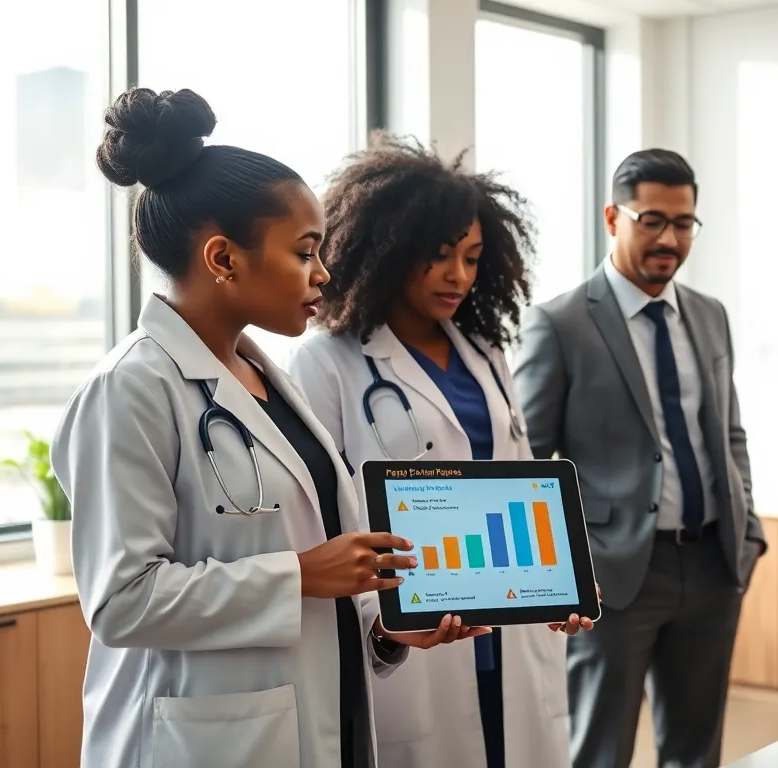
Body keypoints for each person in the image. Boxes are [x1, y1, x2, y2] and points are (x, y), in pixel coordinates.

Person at [51, 89, 480, 768]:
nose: (324, 274)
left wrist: (387, 634)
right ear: (223, 258)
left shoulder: (266, 378)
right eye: (305, 253)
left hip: (322, 719)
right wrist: (301, 575)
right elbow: (122, 602)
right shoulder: (131, 388)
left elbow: (312, 567)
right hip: (206, 740)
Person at [286, 134, 596, 768]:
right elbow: (322, 517)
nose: (459, 276)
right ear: (389, 250)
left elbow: (522, 483)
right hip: (411, 626)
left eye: (473, 258)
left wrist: (559, 579)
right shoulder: (327, 361)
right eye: (440, 256)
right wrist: (381, 621)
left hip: (506, 625)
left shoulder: (485, 352)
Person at [512, 148, 765, 768]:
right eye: (652, 221)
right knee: (601, 751)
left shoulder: (709, 315)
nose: (669, 239)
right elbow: (529, 466)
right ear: (613, 218)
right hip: (613, 574)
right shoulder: (560, 323)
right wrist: (560, 574)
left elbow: (728, 433)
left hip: (712, 565)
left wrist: (749, 531)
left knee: (696, 751)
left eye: (683, 223)